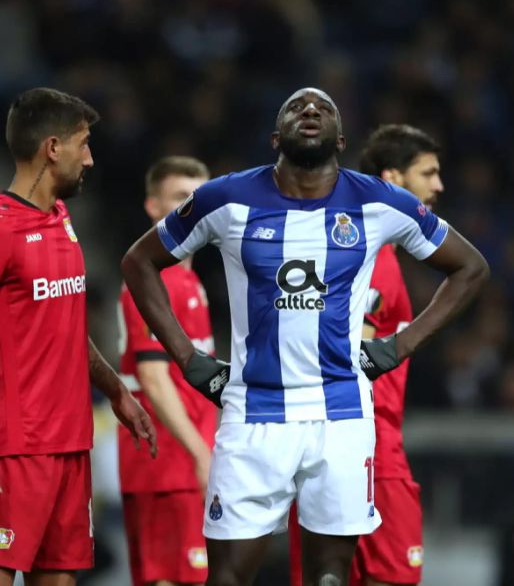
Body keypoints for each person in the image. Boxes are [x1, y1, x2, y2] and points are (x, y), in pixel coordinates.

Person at [120, 87, 489, 586]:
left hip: (340, 413)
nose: (310, 110)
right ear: (276, 138)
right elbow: (139, 262)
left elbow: (469, 267)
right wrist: (187, 359)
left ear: (340, 139)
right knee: (226, 576)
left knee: (329, 575)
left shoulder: (378, 202)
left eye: (324, 108)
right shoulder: (226, 198)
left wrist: (401, 345)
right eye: (296, 107)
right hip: (253, 413)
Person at [0, 87, 157, 586]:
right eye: (83, 144)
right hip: (14, 449)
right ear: (52, 148)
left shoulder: (61, 220)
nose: (90, 158)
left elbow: (65, 326)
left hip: (71, 445)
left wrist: (115, 390)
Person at [288, 124, 444, 586]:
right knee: (392, 577)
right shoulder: (372, 254)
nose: (438, 185)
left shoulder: (351, 243)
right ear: (393, 178)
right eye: (428, 173)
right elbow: (346, 355)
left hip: (329, 447)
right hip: (368, 448)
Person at [117, 156, 217, 586]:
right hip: (167, 466)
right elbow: (156, 382)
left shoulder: (189, 281)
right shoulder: (153, 280)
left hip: (187, 461)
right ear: (153, 207)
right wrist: (201, 456)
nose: (193, 209)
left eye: (201, 199)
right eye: (180, 199)